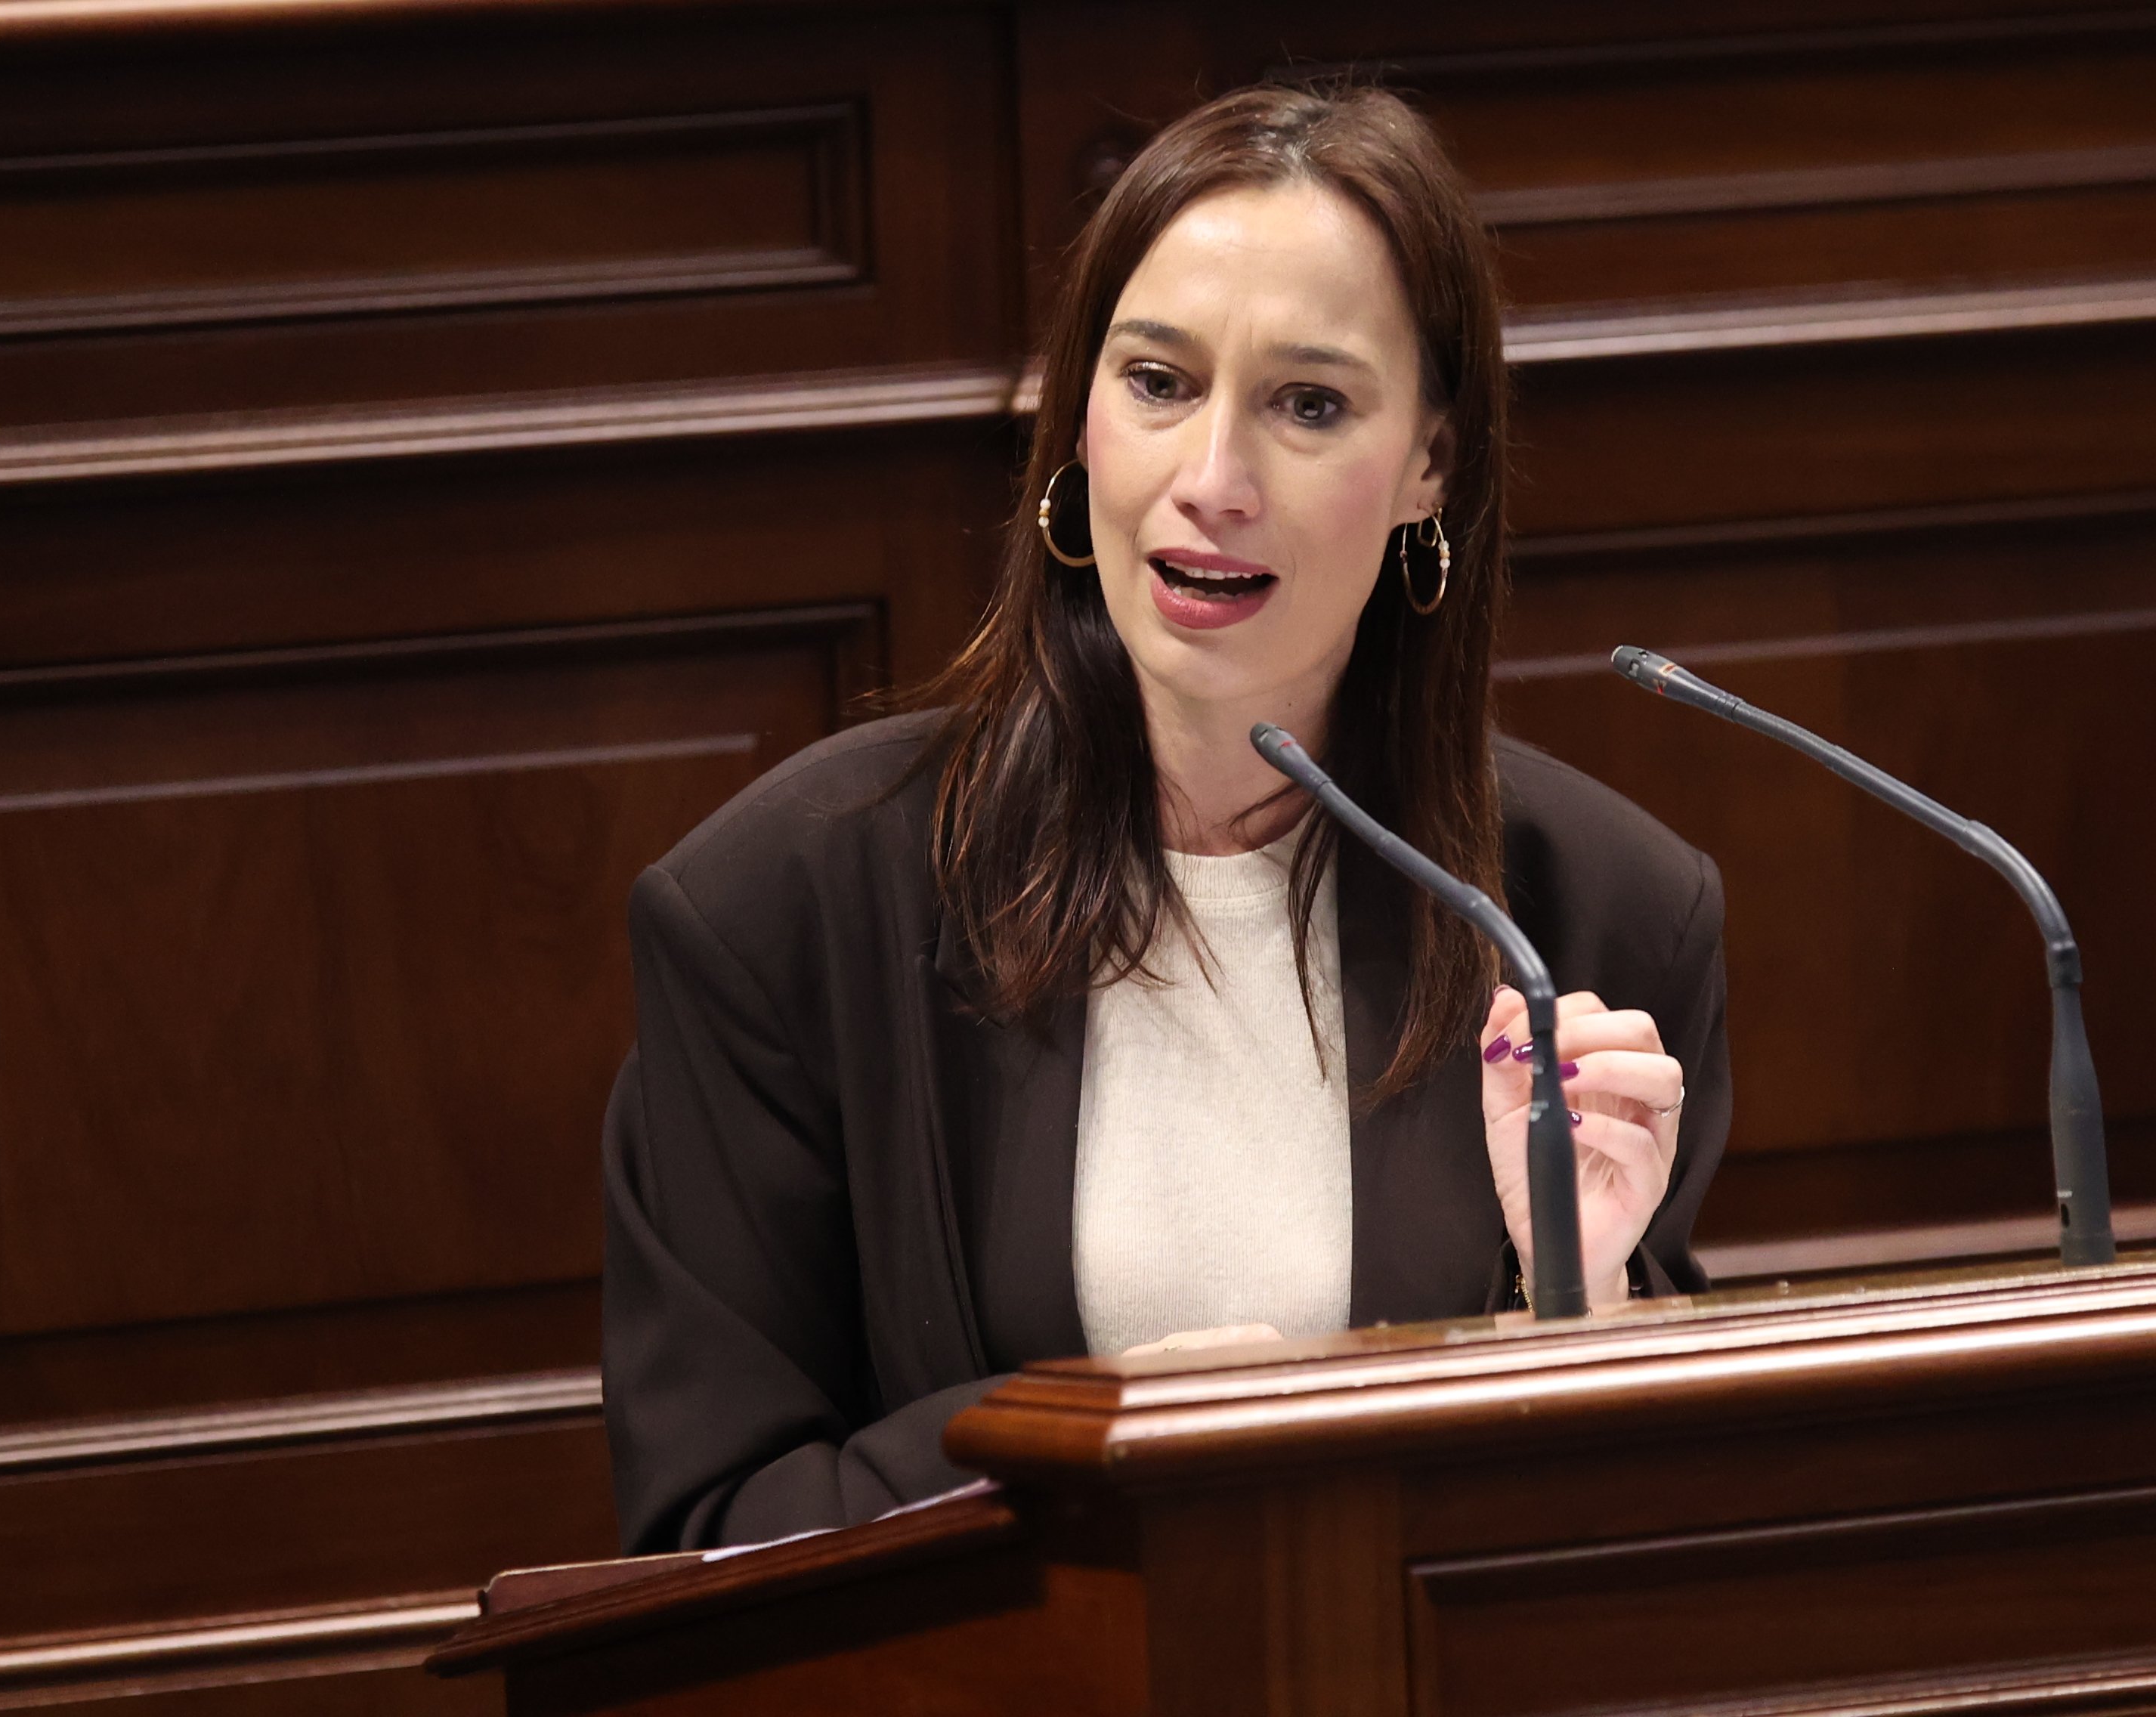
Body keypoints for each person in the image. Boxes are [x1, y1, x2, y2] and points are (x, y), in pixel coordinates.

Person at [600, 83, 1731, 1554]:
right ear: (1081, 420)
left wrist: (1574, 1299)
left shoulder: (1598, 913)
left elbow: (1646, 1557)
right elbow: (709, 1527)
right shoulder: (783, 909)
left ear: (1431, 468)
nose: (1211, 481)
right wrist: (1107, 1427)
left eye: (1308, 404)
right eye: (1157, 381)